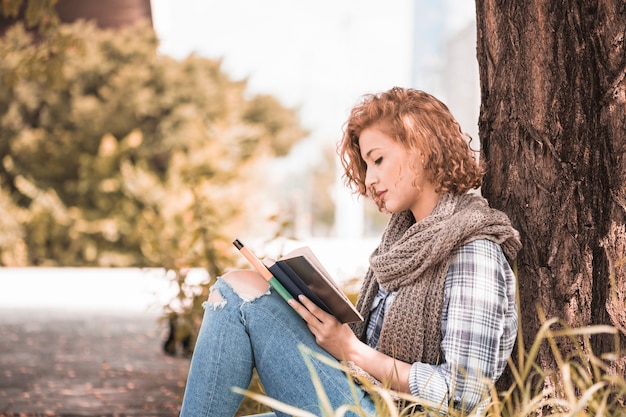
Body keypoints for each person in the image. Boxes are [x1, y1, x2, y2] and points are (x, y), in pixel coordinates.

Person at [179, 87, 521, 417]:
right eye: (366, 165)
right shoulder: (398, 245)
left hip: (394, 411)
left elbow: (463, 394)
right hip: (364, 396)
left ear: (422, 149)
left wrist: (351, 349)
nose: (369, 179)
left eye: (378, 160)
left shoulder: (473, 251)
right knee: (239, 284)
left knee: (239, 291)